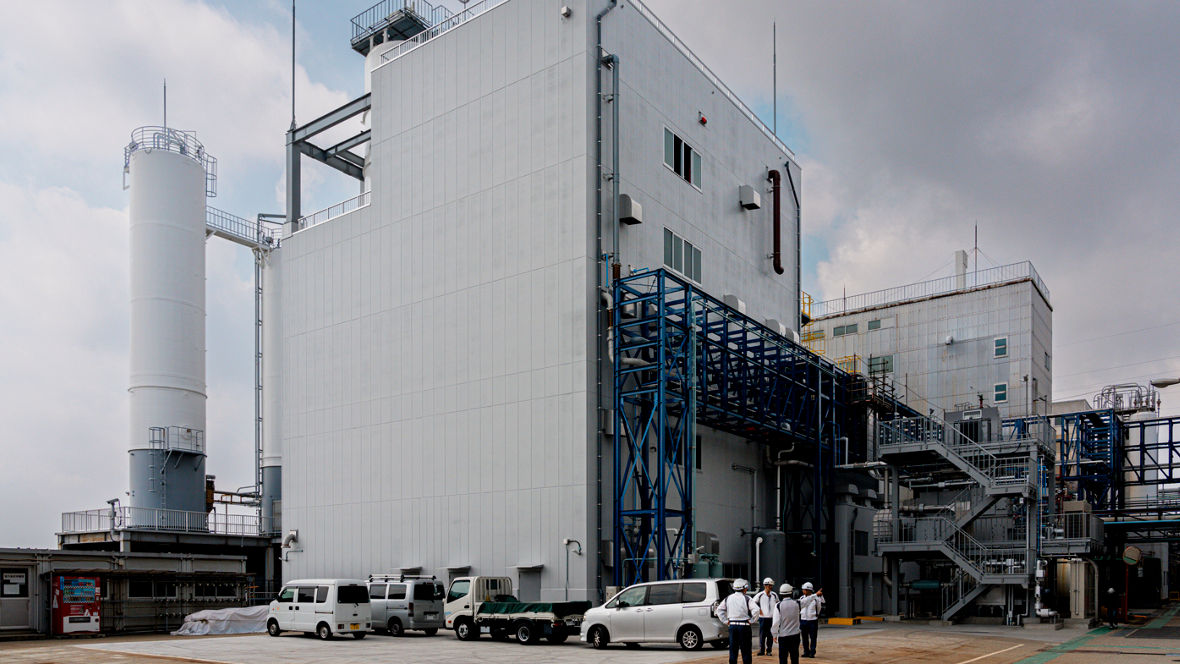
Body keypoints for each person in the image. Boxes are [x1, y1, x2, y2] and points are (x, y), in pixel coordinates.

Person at [717, 578, 760, 664]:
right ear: (744, 588)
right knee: (746, 651)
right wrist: (752, 620)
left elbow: (719, 610)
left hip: (732, 626)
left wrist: (725, 621)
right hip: (744, 626)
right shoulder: (747, 598)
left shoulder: (728, 598)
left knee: (733, 650)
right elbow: (756, 610)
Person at [771, 583, 801, 664]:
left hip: (783, 636)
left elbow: (776, 622)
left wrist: (774, 634)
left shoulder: (778, 605)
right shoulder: (797, 603)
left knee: (783, 658)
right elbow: (807, 600)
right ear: (791, 592)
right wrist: (815, 595)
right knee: (794, 657)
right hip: (795, 635)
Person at [753, 577, 779, 656]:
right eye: (769, 585)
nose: (770, 587)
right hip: (763, 618)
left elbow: (778, 604)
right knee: (762, 635)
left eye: (771, 585)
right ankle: (761, 650)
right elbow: (752, 603)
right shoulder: (760, 595)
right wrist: (758, 609)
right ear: (765, 585)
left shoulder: (774, 595)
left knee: (770, 635)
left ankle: (769, 650)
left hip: (771, 618)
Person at [798, 582, 825, 658]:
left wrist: (815, 615)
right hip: (803, 620)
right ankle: (806, 651)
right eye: (803, 590)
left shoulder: (816, 599)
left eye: (806, 590)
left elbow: (819, 608)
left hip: (812, 620)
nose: (804, 591)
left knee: (813, 637)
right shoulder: (802, 598)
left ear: (810, 590)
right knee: (804, 637)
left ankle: (812, 652)